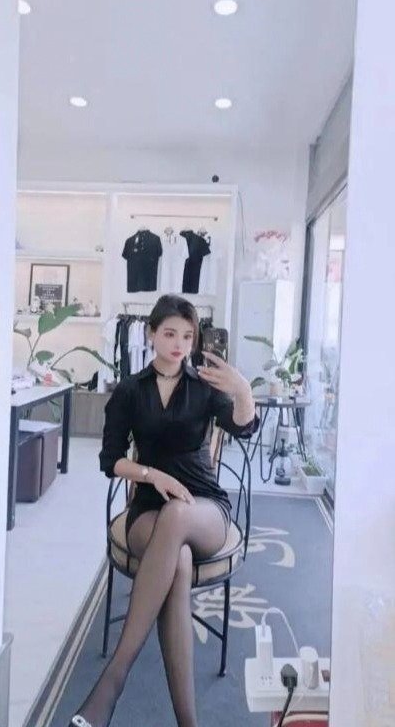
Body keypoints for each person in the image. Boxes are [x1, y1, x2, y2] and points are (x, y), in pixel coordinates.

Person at [69, 294, 259, 727]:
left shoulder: (204, 386)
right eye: (170, 334)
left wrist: (242, 391)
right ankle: (188, 722)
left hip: (203, 507)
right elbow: (110, 461)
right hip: (149, 509)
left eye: (187, 336)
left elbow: (244, 428)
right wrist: (152, 475)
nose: (179, 344)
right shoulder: (129, 391)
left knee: (178, 517)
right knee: (179, 561)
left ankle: (112, 681)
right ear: (151, 333)